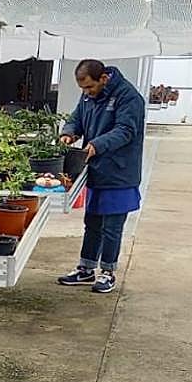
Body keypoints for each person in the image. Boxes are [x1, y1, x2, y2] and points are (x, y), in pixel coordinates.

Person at [56, 59, 145, 294]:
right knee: (92, 222)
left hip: (119, 172)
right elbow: (77, 117)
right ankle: (86, 268)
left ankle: (108, 271)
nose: (86, 93)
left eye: (89, 87)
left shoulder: (129, 97)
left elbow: (126, 131)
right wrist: (69, 132)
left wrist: (96, 144)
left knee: (112, 226)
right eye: (83, 89)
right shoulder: (89, 96)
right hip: (95, 169)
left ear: (103, 79)